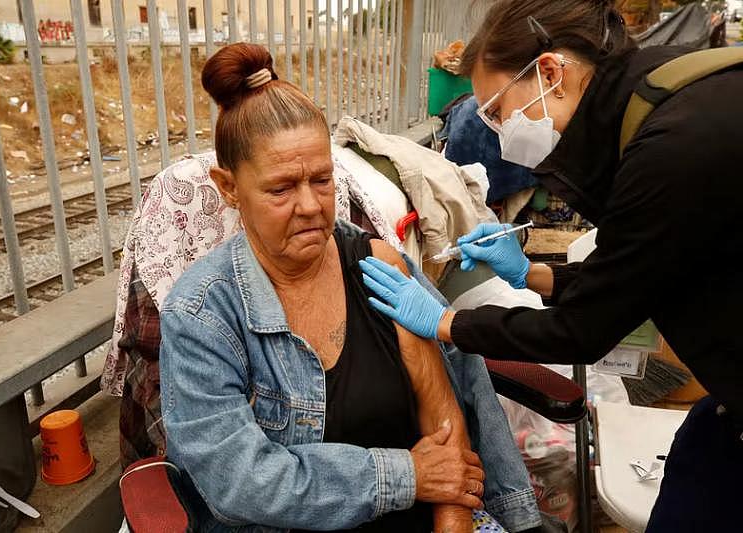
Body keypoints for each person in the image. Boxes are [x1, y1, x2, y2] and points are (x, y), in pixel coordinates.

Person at [361, 0, 742, 531]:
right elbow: (639, 273)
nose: (496, 132)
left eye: (495, 111)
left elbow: (585, 329)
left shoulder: (672, 148)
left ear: (549, 72)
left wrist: (446, 322)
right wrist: (529, 274)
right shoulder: (663, 93)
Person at [159, 43, 544, 532]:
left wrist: (453, 518)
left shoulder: (377, 265)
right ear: (229, 187)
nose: (310, 206)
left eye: (322, 180)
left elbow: (447, 429)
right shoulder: (201, 315)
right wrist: (407, 475)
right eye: (281, 189)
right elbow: (239, 482)